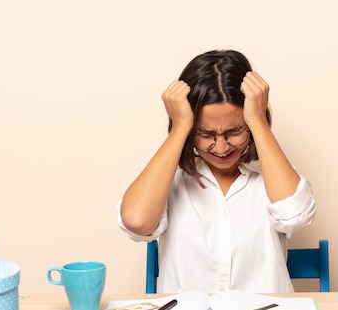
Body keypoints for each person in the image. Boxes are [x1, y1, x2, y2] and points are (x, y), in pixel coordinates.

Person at [117, 49, 315, 293]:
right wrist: (181, 126)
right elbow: (137, 221)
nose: (221, 147)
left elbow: (294, 215)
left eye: (235, 131)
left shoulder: (273, 179)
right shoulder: (169, 184)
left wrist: (258, 120)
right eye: (205, 134)